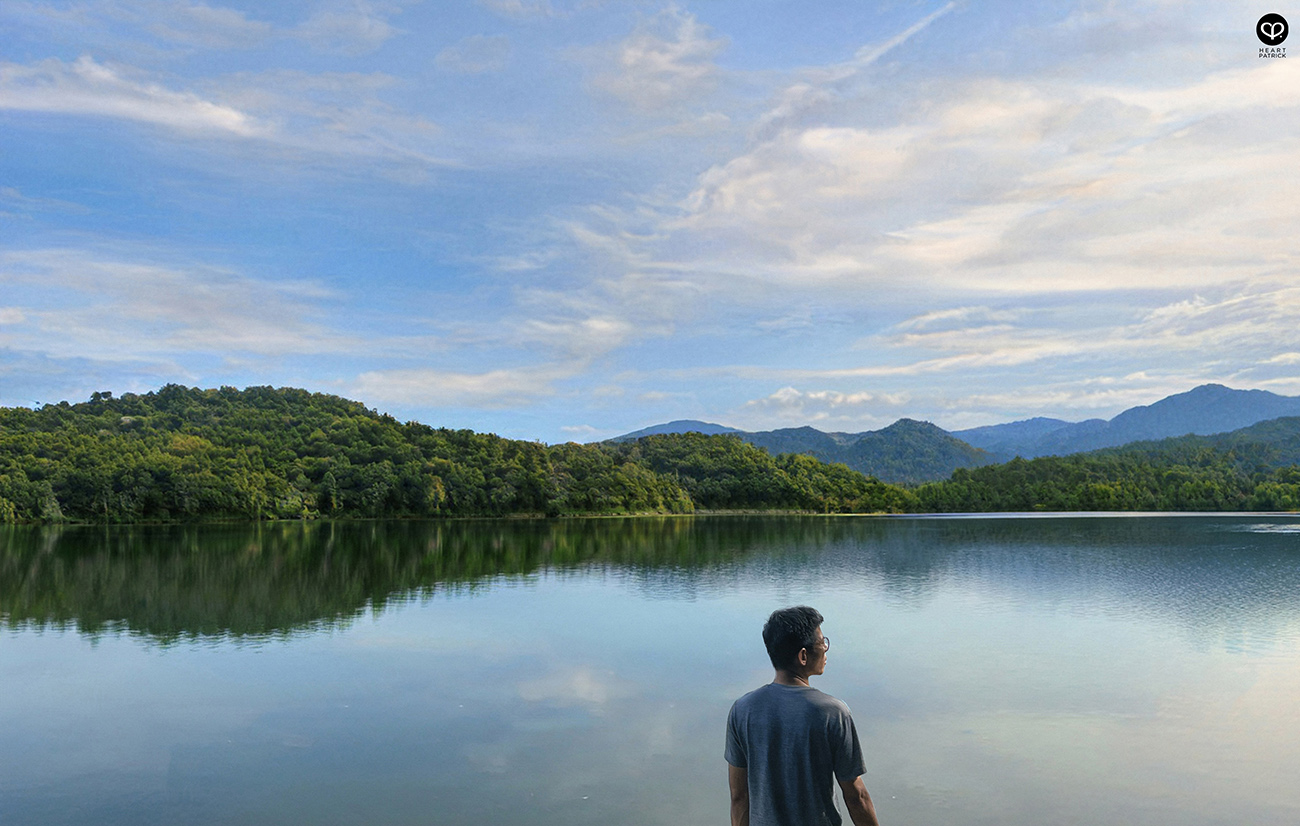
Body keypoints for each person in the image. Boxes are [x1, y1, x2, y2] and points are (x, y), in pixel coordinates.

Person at [725, 606, 880, 826]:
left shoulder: (742, 710)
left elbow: (739, 797)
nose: (826, 649)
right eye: (822, 642)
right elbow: (856, 797)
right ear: (803, 656)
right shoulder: (832, 713)